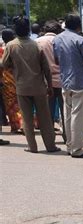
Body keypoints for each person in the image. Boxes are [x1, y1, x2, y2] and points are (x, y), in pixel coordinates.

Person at [2, 16, 59, 153]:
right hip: (39, 87)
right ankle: (50, 146)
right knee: (44, 118)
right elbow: (46, 69)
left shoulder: (11, 46)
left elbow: (4, 64)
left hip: (21, 87)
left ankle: (32, 147)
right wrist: (50, 86)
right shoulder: (36, 45)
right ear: (28, 29)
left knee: (27, 119)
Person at [54, 13, 83, 158]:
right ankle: (77, 149)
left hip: (65, 80)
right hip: (80, 81)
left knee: (67, 113)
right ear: (79, 26)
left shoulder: (57, 39)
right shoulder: (80, 40)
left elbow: (56, 60)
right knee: (78, 115)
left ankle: (70, 145)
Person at [36, 20, 65, 142]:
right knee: (65, 111)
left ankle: (50, 139)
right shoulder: (62, 40)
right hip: (63, 80)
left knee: (48, 112)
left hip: (45, 81)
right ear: (58, 30)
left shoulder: (37, 42)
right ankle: (67, 137)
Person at [0, 28, 22, 133]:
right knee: (21, 103)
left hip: (6, 80)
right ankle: (23, 123)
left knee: (10, 104)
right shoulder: (16, 47)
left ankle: (16, 125)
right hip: (18, 77)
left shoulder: (2, 50)